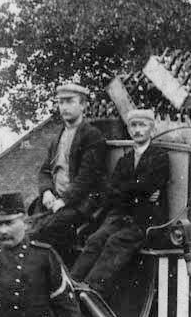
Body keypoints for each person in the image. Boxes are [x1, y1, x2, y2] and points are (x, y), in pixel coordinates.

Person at [70, 109, 170, 298]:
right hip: (122, 215)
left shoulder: (159, 157)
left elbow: (148, 185)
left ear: (152, 129)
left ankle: (91, 291)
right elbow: (114, 190)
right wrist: (137, 190)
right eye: (133, 125)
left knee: (116, 241)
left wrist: (127, 189)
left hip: (146, 220)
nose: (137, 130)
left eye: (143, 125)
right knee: (95, 239)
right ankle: (71, 284)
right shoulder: (125, 160)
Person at [31, 83, 107, 263]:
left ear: (83, 105)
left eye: (70, 102)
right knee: (24, 225)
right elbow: (44, 171)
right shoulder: (58, 137)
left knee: (42, 233)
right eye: (61, 102)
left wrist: (64, 201)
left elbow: (86, 178)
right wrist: (47, 192)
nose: (64, 107)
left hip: (82, 203)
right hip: (55, 200)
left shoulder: (92, 136)